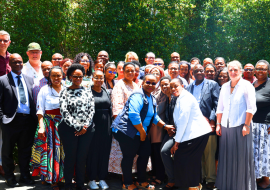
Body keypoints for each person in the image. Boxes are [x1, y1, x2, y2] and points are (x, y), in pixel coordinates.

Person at [111, 74, 174, 190]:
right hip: (126, 131)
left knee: (145, 153)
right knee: (129, 156)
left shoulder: (152, 98)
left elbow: (154, 116)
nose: (151, 85)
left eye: (154, 83)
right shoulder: (138, 95)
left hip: (139, 132)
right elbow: (134, 115)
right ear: (143, 82)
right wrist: (142, 132)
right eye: (148, 82)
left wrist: (165, 126)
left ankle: (141, 181)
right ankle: (128, 184)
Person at [215, 60, 257, 190]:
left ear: (241, 71)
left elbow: (251, 108)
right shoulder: (225, 86)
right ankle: (227, 186)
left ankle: (241, 187)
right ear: (228, 71)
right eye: (230, 70)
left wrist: (247, 125)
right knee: (226, 158)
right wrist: (218, 124)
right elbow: (220, 108)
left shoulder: (247, 85)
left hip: (241, 127)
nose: (233, 72)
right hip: (225, 128)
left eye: (235, 70)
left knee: (241, 159)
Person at [0, 53, 38, 187]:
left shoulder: (30, 79)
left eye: (20, 62)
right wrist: (2, 119)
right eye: (15, 62)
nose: (18, 64)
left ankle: (25, 176)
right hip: (10, 122)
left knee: (25, 151)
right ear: (9, 64)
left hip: (28, 121)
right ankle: (10, 177)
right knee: (7, 151)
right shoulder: (3, 80)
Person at [170, 78, 211, 190]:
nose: (173, 89)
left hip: (196, 134)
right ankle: (195, 185)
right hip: (193, 134)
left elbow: (183, 120)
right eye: (171, 87)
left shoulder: (185, 98)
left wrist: (177, 141)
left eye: (176, 86)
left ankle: (193, 186)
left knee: (186, 159)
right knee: (190, 159)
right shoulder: (180, 97)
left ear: (182, 86)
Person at [59, 64, 95, 190]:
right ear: (70, 77)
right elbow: (64, 111)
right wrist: (78, 126)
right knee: (70, 157)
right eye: (75, 76)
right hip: (69, 129)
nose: (78, 78)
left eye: (80, 76)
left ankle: (80, 184)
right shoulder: (65, 91)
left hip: (87, 130)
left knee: (81, 158)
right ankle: (68, 184)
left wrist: (85, 126)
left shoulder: (87, 90)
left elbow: (91, 110)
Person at [186, 64, 220, 189]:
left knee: (209, 152)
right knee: (197, 153)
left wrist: (212, 120)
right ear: (192, 73)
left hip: (208, 124)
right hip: (193, 126)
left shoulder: (212, 84)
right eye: (196, 71)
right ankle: (200, 178)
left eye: (201, 70)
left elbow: (216, 104)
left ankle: (210, 179)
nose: (199, 72)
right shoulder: (188, 87)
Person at [31, 66, 65, 190]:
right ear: (49, 77)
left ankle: (62, 177)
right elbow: (40, 110)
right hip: (49, 124)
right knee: (50, 152)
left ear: (62, 76)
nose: (56, 78)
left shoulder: (67, 88)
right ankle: (52, 179)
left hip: (64, 125)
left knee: (63, 152)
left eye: (59, 75)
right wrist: (41, 127)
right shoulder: (44, 90)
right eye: (53, 75)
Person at [108, 62, 141, 176]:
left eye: (133, 70)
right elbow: (117, 109)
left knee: (131, 153)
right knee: (125, 153)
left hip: (135, 125)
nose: (131, 73)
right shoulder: (119, 85)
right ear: (123, 71)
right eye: (128, 70)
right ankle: (124, 179)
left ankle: (130, 177)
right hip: (124, 126)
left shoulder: (136, 85)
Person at [87, 70, 112, 190]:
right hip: (93, 126)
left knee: (104, 152)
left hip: (106, 126)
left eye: (101, 78)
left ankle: (102, 179)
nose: (99, 80)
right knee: (93, 152)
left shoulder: (106, 91)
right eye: (96, 77)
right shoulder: (87, 92)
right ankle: (92, 179)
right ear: (92, 78)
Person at [148, 76, 171, 186]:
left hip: (163, 128)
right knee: (155, 152)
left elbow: (158, 110)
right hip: (156, 128)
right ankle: (157, 174)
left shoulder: (172, 96)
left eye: (167, 84)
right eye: (162, 85)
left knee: (160, 152)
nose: (165, 86)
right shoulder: (159, 95)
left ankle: (161, 176)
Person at [252, 60, 270, 188]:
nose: (260, 71)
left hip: (266, 126)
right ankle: (258, 178)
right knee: (256, 154)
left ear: (268, 71)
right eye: (258, 68)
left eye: (263, 69)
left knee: (265, 153)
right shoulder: (253, 84)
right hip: (253, 125)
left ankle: (267, 180)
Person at [0, 30, 12, 176]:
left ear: (9, 42)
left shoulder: (13, 58)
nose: (2, 43)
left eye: (5, 40)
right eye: (0, 40)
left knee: (4, 136)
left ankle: (2, 164)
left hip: (7, 102)